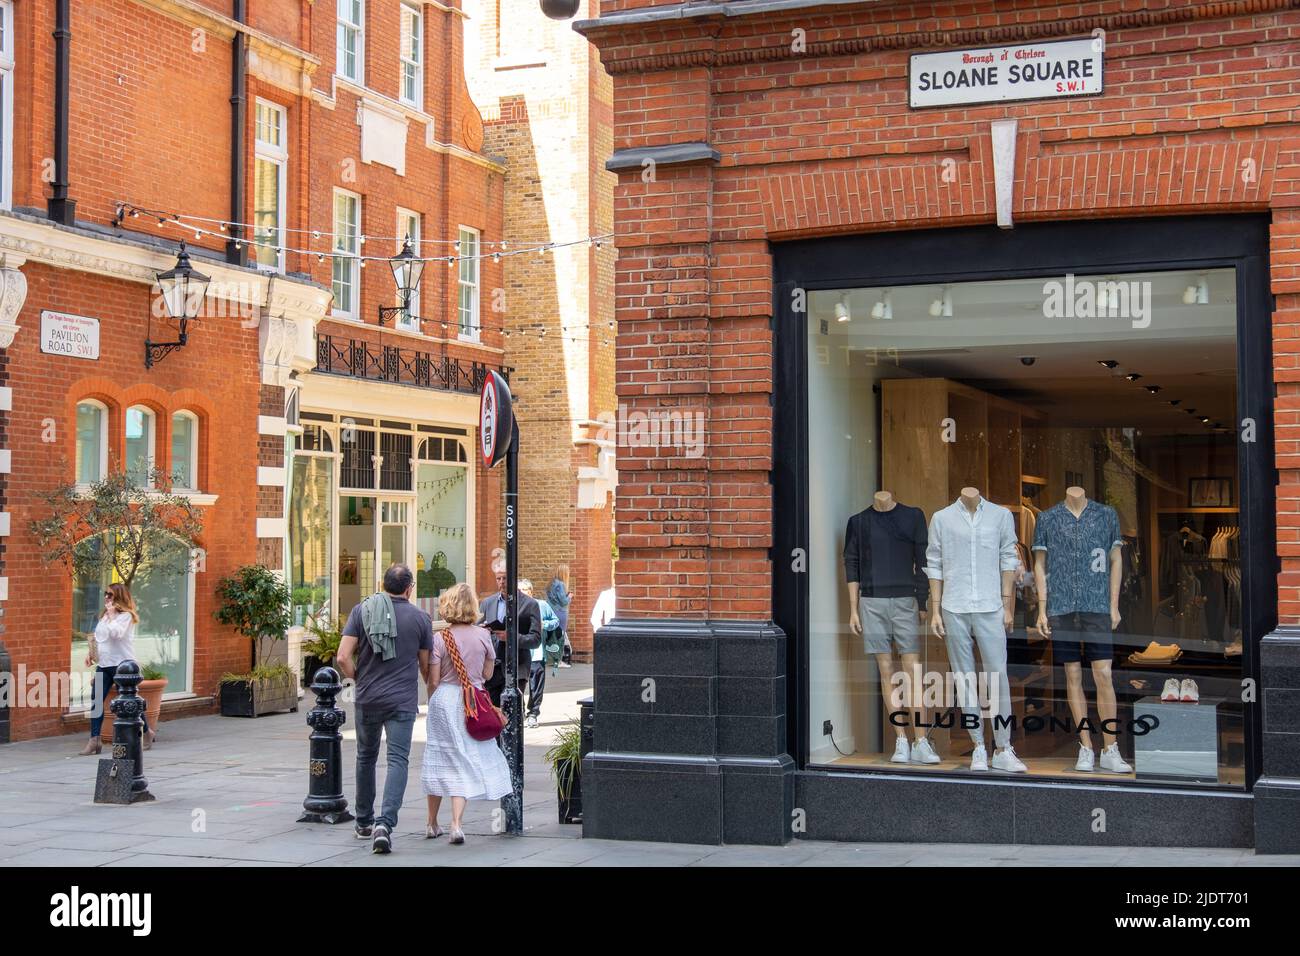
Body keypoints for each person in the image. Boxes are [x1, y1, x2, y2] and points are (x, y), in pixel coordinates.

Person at [337, 563, 433, 855]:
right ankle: (385, 825)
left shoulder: (362, 611)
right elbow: (425, 665)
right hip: (402, 700)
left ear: (383, 584)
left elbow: (342, 657)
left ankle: (364, 821)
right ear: (409, 588)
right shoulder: (420, 618)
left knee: (365, 757)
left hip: (368, 698)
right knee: (397, 761)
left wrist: (358, 676)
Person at [421, 583, 512, 845]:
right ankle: (456, 825)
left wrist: (433, 700)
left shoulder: (440, 639)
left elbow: (434, 680)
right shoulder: (484, 636)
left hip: (445, 700)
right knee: (462, 760)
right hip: (472, 699)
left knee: (439, 757)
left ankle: (431, 823)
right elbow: (487, 675)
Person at [477, 557, 542, 709]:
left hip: (517, 667)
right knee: (492, 713)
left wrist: (512, 638)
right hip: (492, 667)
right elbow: (477, 629)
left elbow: (536, 639)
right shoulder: (488, 603)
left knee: (511, 713)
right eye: (498, 578)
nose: (501, 582)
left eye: (505, 578)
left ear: (513, 578)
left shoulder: (530, 604)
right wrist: (483, 629)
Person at [81, 583, 138, 756]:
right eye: (105, 594)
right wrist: (91, 653)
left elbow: (117, 634)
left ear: (119, 597)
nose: (106, 597)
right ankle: (94, 740)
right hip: (104, 664)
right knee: (96, 700)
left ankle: (147, 732)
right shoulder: (105, 616)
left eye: (110, 595)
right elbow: (101, 637)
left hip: (122, 665)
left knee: (128, 701)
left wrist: (112, 614)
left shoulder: (126, 616)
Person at [519, 579, 561, 728]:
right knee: (518, 685)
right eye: (520, 590)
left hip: (537, 653)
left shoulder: (541, 605)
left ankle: (533, 713)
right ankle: (519, 712)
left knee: (536, 686)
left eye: (526, 589)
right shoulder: (513, 607)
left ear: (531, 591)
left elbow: (555, 621)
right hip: (519, 653)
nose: (523, 592)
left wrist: (545, 624)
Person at [547, 564, 573, 667]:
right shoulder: (561, 584)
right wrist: (570, 596)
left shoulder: (551, 584)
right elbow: (564, 602)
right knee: (560, 636)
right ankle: (558, 661)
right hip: (560, 613)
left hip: (551, 612)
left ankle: (552, 659)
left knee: (552, 636)